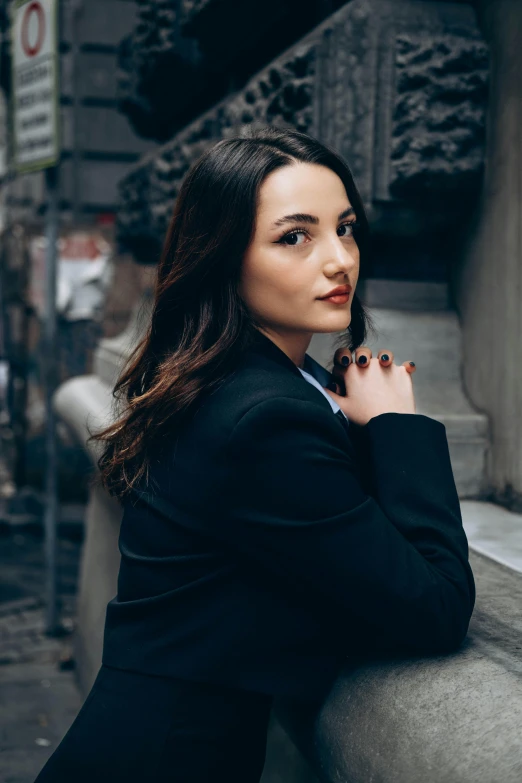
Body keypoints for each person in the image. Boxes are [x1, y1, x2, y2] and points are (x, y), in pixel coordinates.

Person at [34, 126, 475, 782]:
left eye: (346, 228)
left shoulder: (229, 378)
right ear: (224, 256)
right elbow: (435, 607)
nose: (340, 260)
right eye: (295, 236)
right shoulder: (264, 418)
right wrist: (394, 425)